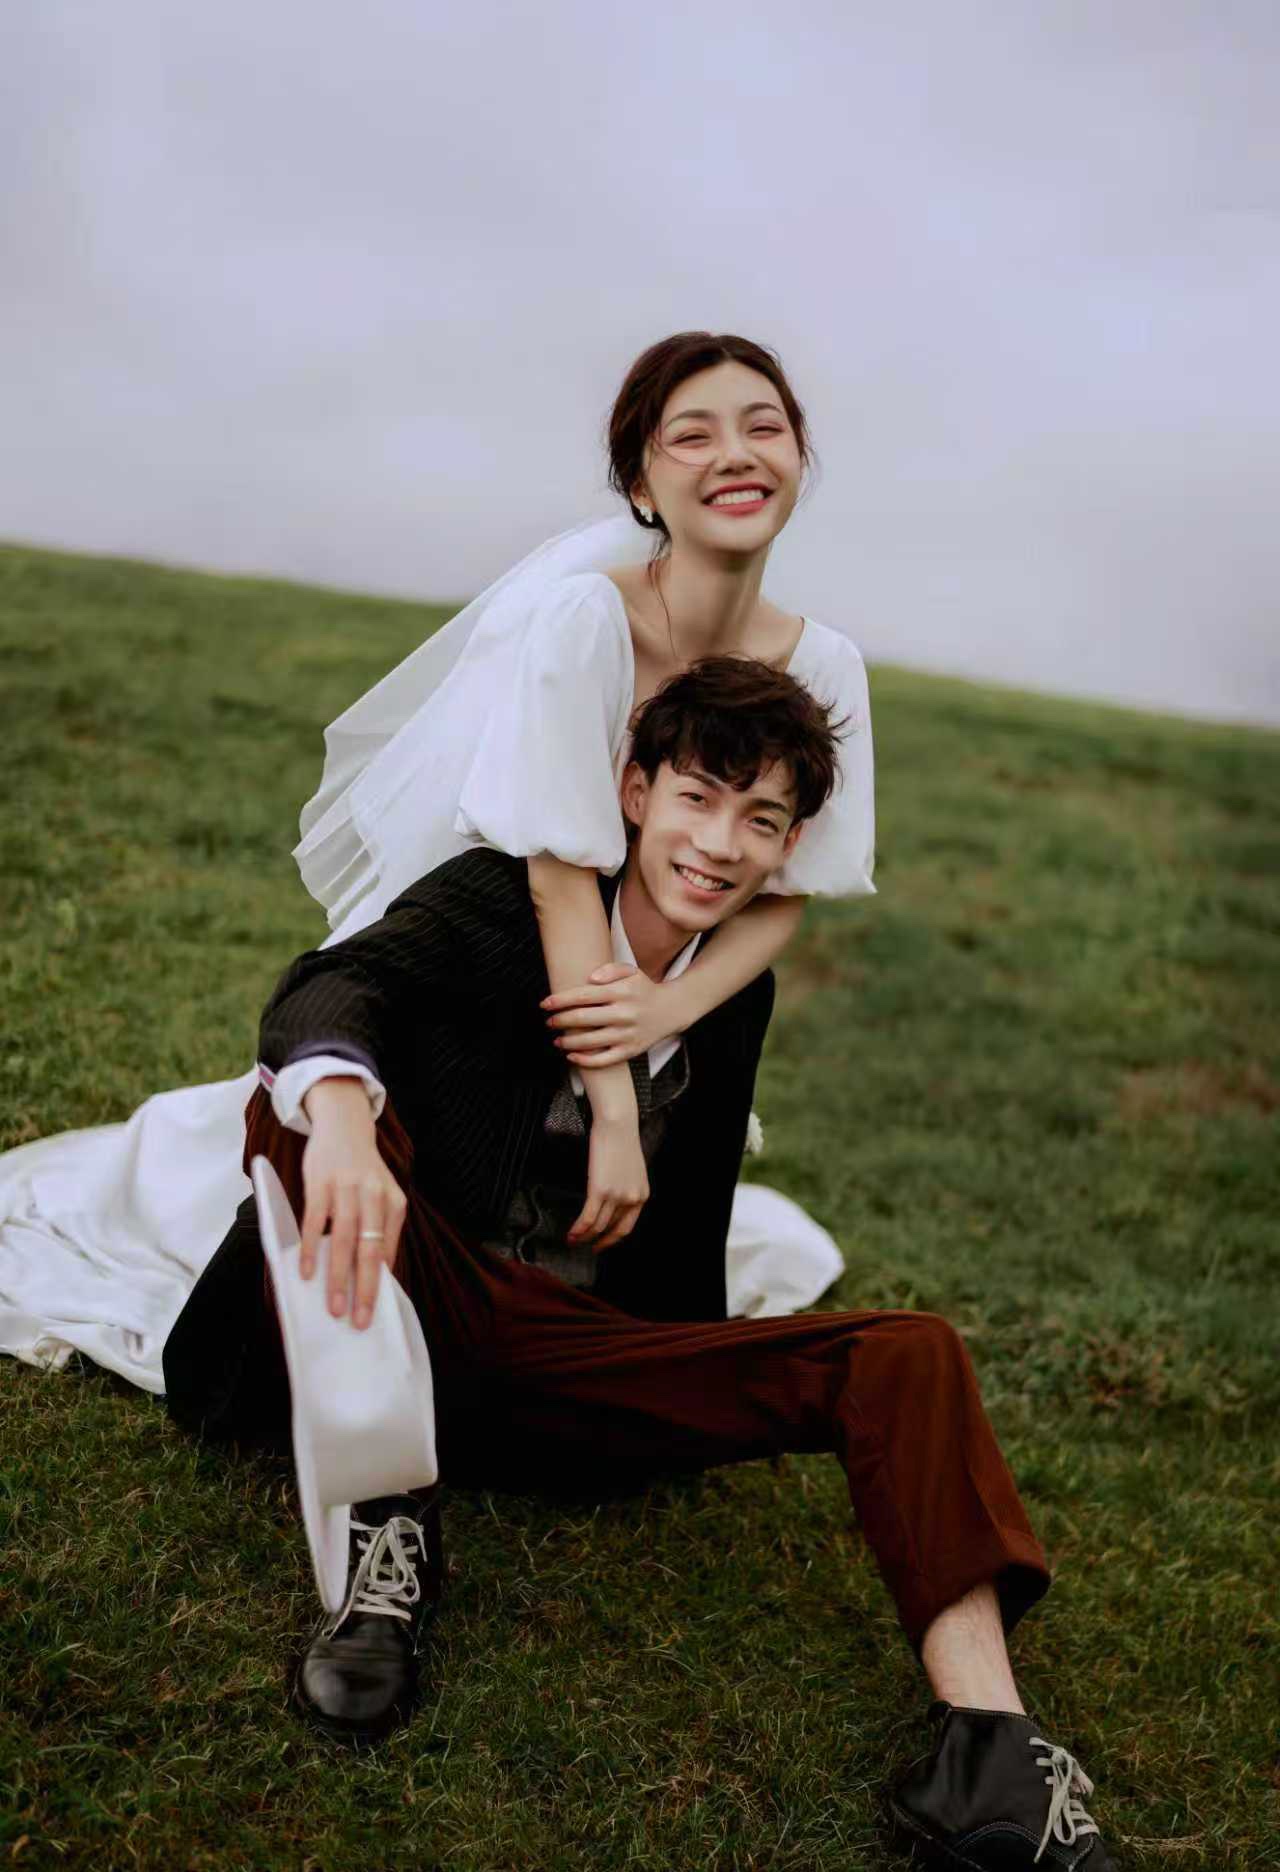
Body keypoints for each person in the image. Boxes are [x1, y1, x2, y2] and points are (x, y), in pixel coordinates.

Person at [164, 660, 1114, 1871]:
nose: (717, 844)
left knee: (907, 1353)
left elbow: (684, 1224)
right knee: (302, 1112)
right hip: (406, 1295)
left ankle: (986, 1748)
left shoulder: (729, 993)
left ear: (788, 847)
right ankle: (384, 1541)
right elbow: (328, 987)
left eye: (758, 819)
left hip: (558, 1359)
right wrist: (346, 1130)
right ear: (632, 792)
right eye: (697, 797)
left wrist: (675, 1368)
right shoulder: (501, 898)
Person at [0, 337, 869, 1377]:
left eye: (763, 427)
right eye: (693, 435)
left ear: (798, 457)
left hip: (658, 955)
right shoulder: (586, 619)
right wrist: (614, 1104)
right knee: (424, 1140)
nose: (735, 454)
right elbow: (556, 873)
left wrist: (665, 1012)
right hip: (509, 936)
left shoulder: (825, 664)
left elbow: (789, 891)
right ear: (642, 485)